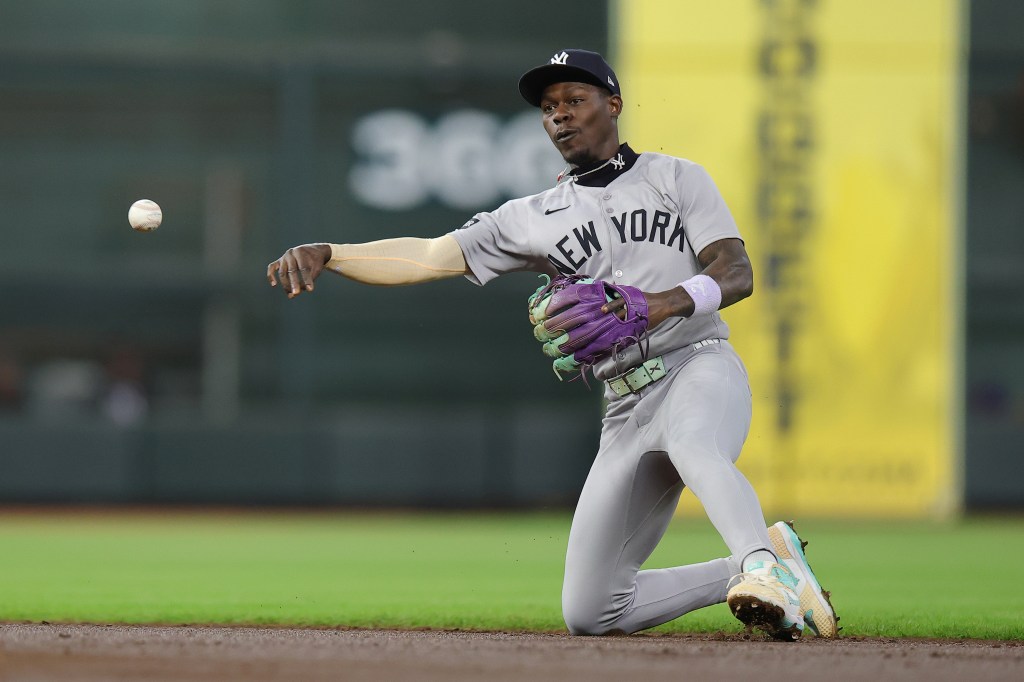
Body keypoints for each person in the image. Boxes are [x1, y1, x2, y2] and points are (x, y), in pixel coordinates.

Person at [267, 49, 837, 640]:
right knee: (592, 610)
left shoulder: (676, 177)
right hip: (624, 408)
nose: (560, 115)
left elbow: (736, 272)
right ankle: (758, 566)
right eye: (549, 107)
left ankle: (761, 568)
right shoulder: (533, 217)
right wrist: (333, 253)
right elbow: (429, 255)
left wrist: (657, 303)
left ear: (612, 104)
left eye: (575, 100)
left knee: (695, 443)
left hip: (698, 365)